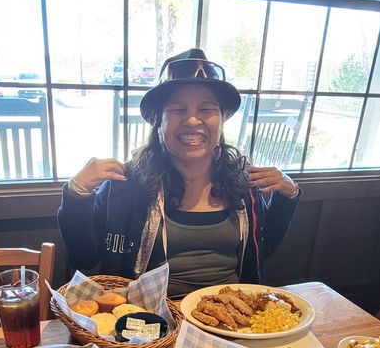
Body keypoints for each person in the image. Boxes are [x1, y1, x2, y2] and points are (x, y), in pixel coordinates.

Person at [58, 48, 303, 298]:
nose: (193, 120)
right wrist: (76, 193)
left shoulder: (245, 183)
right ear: (158, 121)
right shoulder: (125, 185)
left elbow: (264, 248)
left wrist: (288, 194)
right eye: (178, 110)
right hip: (153, 323)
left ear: (221, 120)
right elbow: (84, 257)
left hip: (234, 318)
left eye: (206, 109)